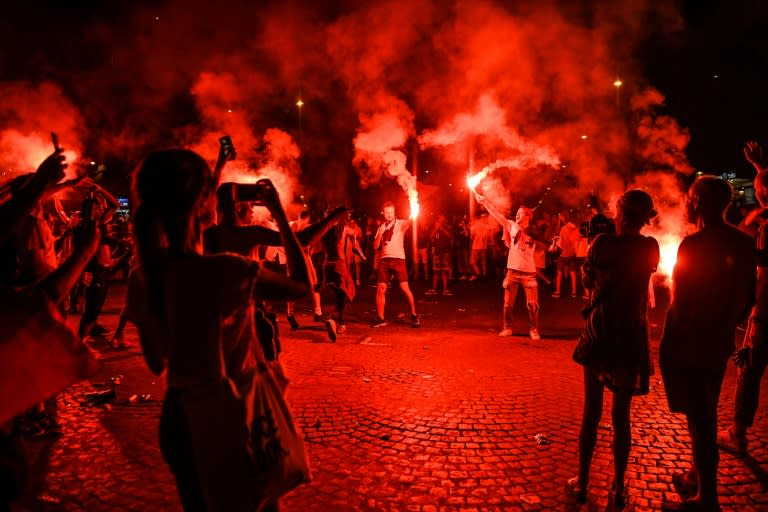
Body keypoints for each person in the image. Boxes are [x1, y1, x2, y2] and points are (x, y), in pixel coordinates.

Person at [131, 150, 310, 511]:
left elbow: (156, 360)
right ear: (201, 204)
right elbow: (302, 288)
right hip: (231, 415)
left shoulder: (143, 276)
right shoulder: (228, 272)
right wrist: (278, 215)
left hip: (179, 418)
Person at [659, 177, 755, 511]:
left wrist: (668, 349)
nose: (684, 201)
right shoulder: (743, 244)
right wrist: (727, 323)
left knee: (701, 422)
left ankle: (706, 500)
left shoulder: (695, 246)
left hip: (692, 343)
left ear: (698, 201)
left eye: (688, 196)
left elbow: (680, 302)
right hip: (719, 339)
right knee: (706, 410)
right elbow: (748, 297)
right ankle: (696, 477)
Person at [566, 190, 659, 509]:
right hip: (631, 335)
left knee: (591, 412)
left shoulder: (602, 244)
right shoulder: (650, 247)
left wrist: (598, 238)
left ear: (620, 212)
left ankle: (581, 482)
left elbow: (590, 283)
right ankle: (619, 488)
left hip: (601, 331)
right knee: (622, 417)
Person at [718, 142, 768, 456]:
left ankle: (737, 431)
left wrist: (754, 315)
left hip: (766, 312)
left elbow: (764, 277)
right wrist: (759, 168)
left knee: (749, 368)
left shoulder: (766, 230)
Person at [472, 191, 543, 340]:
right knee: (507, 304)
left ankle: (534, 330)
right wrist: (485, 202)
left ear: (528, 216)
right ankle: (507, 327)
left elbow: (547, 246)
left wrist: (555, 245)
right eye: (516, 213)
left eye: (520, 213)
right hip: (512, 271)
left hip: (528, 273)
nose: (517, 215)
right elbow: (498, 215)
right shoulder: (511, 226)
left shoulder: (534, 232)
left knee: (533, 305)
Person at [318, 212, 367, 339]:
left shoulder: (323, 231)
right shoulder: (343, 229)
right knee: (345, 292)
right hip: (339, 265)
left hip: (327, 266)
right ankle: (334, 319)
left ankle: (341, 322)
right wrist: (354, 229)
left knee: (340, 295)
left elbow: (317, 248)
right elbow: (358, 233)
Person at [371, 201, 419, 328]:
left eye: (391, 212)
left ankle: (414, 315)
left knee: (404, 288)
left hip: (398, 260)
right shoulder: (381, 227)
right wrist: (380, 233)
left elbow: (410, 222)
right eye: (387, 213)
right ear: (383, 213)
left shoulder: (401, 224)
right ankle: (380, 318)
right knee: (381, 289)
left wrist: (413, 213)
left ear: (394, 212)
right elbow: (375, 246)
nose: (389, 215)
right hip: (384, 260)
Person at [425, 214, 453, 296]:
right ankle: (434, 289)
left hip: (445, 253)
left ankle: (445, 289)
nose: (441, 220)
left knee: (445, 271)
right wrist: (436, 229)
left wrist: (442, 228)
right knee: (436, 272)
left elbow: (450, 236)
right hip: (436, 253)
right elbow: (430, 237)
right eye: (440, 218)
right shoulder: (434, 227)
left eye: (442, 218)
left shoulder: (448, 227)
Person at [553, 219, 580, 298]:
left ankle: (557, 292)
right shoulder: (575, 230)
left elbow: (561, 241)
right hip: (571, 254)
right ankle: (574, 292)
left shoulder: (563, 229)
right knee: (573, 273)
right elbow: (576, 240)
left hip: (563, 255)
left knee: (559, 273)